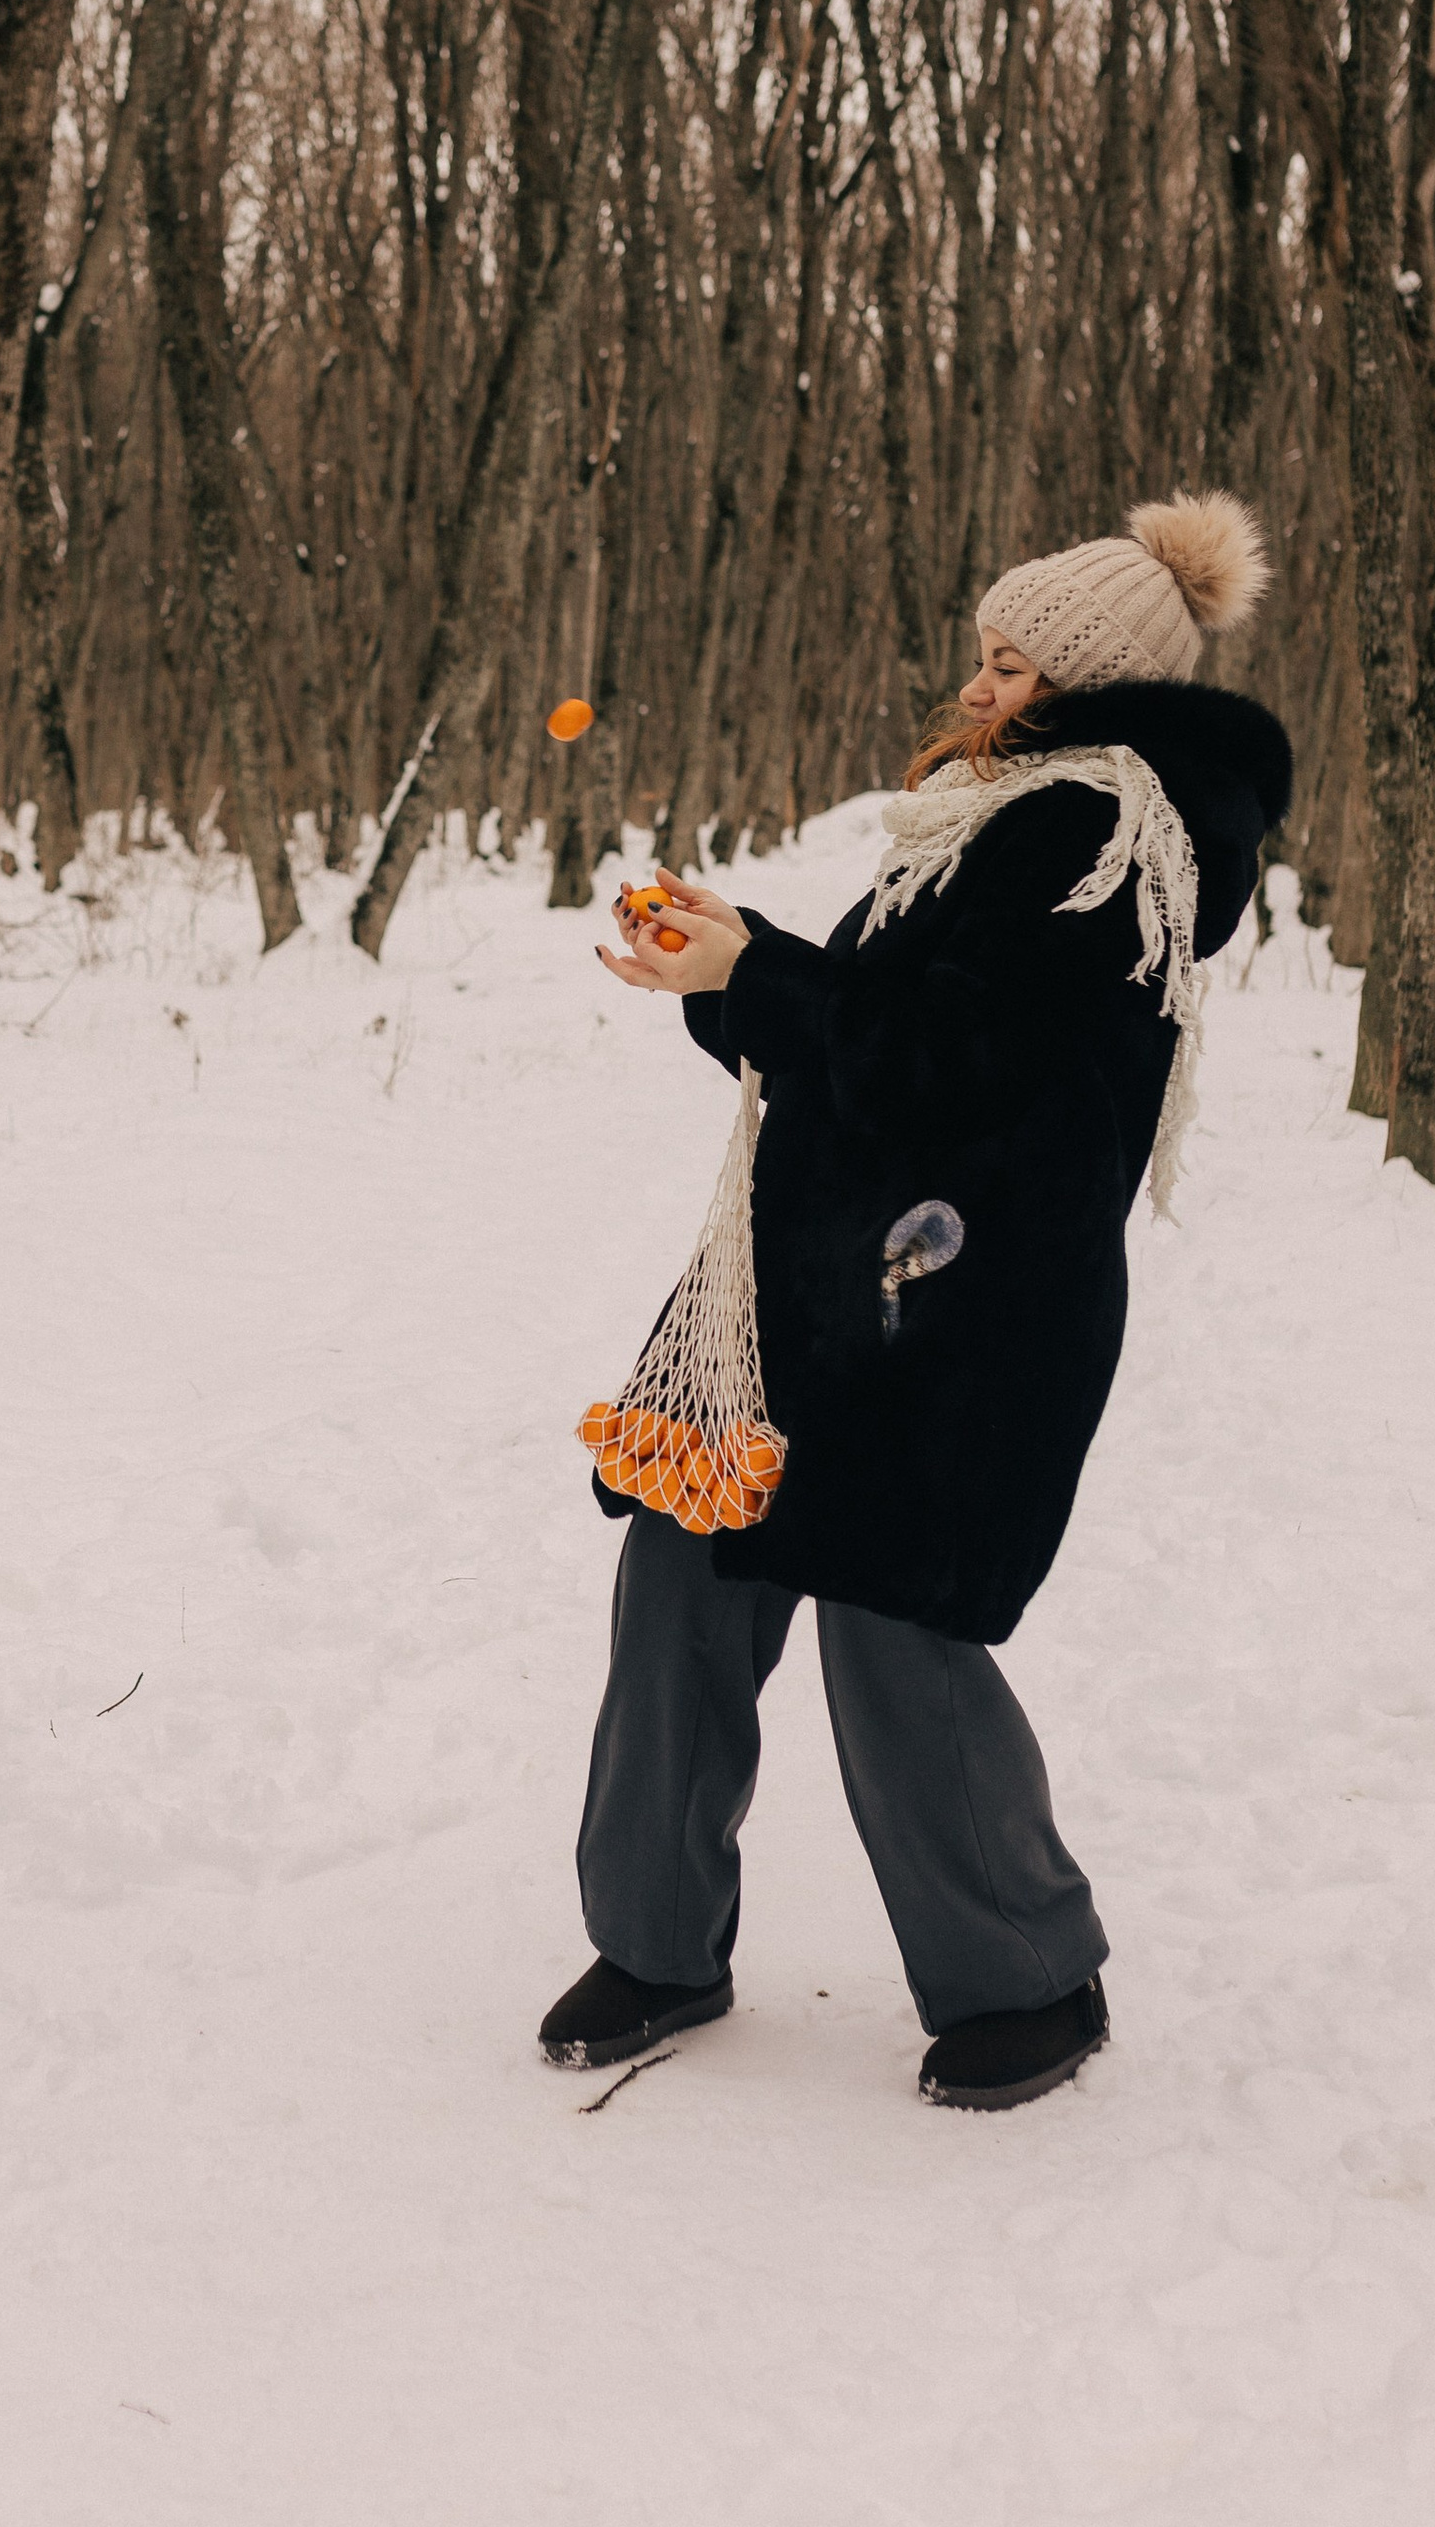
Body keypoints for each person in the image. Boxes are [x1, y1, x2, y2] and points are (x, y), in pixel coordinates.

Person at [541, 493, 1292, 2110]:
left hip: (956, 1313)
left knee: (899, 1630)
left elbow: (969, 1073)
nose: (982, 686)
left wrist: (756, 971)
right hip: (795, 1284)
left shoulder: (1096, 833)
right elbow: (877, 1031)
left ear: (1095, 691)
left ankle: (1027, 1977)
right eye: (987, 656)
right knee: (684, 1569)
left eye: (1019, 667)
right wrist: (726, 970)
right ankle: (658, 1940)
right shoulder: (997, 813)